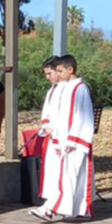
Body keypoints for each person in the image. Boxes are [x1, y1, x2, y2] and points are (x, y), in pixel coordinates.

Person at [30, 54, 96, 221]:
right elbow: (52, 112)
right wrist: (49, 128)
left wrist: (74, 140)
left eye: (59, 71)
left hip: (73, 142)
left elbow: (82, 116)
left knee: (70, 176)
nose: (56, 75)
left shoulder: (79, 88)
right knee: (65, 176)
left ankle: (53, 208)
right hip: (60, 140)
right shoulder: (61, 88)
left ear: (70, 69)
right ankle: (72, 208)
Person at [36, 55, 62, 202]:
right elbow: (46, 112)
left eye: (49, 73)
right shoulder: (52, 90)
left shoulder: (73, 89)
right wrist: (46, 126)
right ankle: (52, 200)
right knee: (52, 169)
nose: (48, 77)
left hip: (64, 137)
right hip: (51, 135)